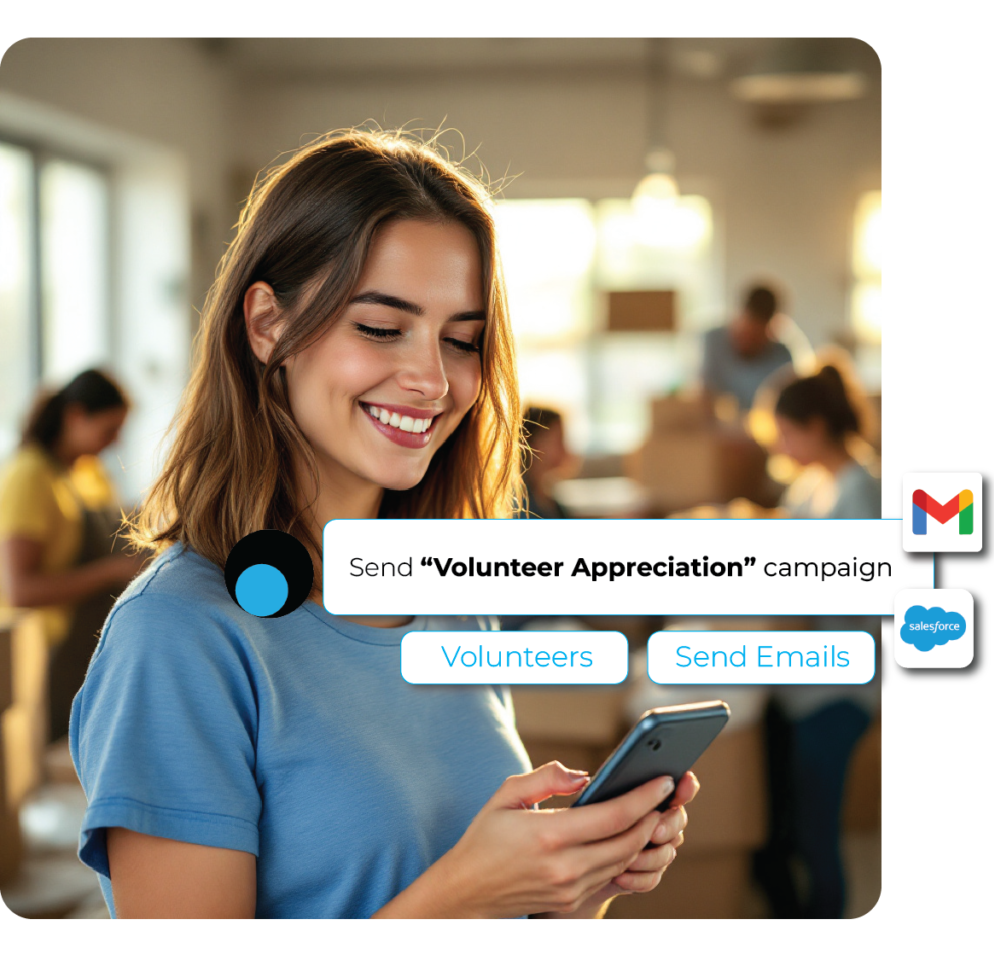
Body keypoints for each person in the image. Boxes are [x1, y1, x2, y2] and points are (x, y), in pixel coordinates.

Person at [69, 129, 699, 920]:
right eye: (380, 327)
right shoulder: (179, 635)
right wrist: (465, 891)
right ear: (267, 325)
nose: (433, 379)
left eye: (462, 340)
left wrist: (573, 883)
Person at [751, 363, 881, 920]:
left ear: (816, 426)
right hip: (807, 682)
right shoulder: (816, 484)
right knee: (787, 827)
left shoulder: (859, 493)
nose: (778, 444)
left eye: (786, 431)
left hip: (837, 691)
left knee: (815, 832)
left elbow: (841, 606)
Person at [0, 368, 140, 741]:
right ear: (75, 416)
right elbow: (20, 590)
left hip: (85, 649)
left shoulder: (88, 473)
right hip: (44, 657)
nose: (114, 441)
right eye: (108, 430)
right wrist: (111, 571)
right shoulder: (30, 476)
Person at [701, 284, 793, 417]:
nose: (747, 342)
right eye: (744, 334)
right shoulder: (712, 340)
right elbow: (704, 392)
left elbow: (785, 411)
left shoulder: (782, 357)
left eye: (756, 337)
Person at [519, 406, 573, 519]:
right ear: (534, 445)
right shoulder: (520, 504)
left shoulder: (547, 497)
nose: (565, 449)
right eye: (559, 440)